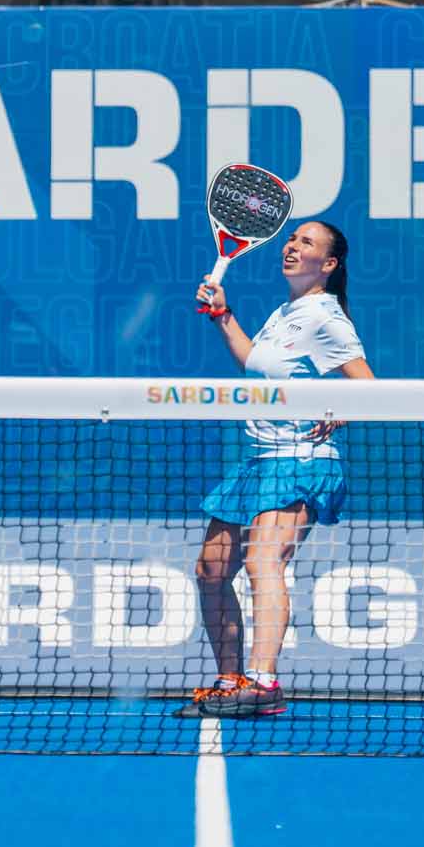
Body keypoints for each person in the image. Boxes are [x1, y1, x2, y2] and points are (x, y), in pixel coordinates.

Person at [175, 221, 373, 718]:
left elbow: (367, 386)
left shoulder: (326, 318)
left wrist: (341, 410)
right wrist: (222, 315)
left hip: (301, 459)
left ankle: (263, 682)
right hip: (259, 460)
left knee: (264, 563)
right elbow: (254, 363)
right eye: (292, 239)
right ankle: (230, 680)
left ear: (328, 264)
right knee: (211, 571)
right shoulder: (285, 313)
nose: (292, 247)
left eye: (306, 243)